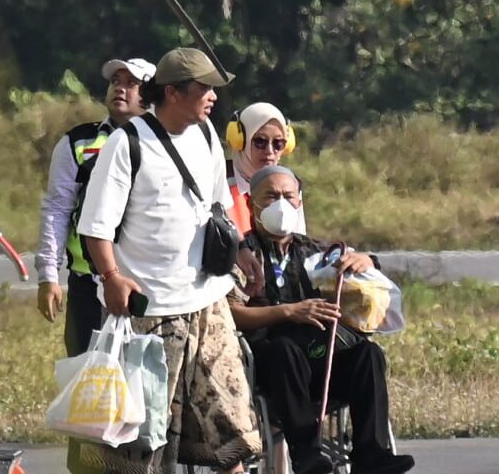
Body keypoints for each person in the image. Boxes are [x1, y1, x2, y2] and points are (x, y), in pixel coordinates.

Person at [75, 47, 261, 473]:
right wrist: (112, 276)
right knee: (142, 444)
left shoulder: (208, 134)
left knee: (232, 427)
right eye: (204, 88)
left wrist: (244, 248)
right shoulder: (128, 143)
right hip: (152, 312)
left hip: (209, 303)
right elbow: (95, 227)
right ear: (173, 93)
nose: (213, 97)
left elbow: (219, 206)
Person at [227, 165, 414, 474]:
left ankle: (372, 454)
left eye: (288, 196)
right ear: (251, 204)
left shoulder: (315, 251)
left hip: (322, 360)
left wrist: (367, 261)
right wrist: (288, 311)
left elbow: (359, 276)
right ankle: (306, 453)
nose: (281, 204)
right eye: (271, 197)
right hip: (271, 368)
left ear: (299, 202)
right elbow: (231, 314)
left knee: (369, 355)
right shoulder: (243, 255)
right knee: (283, 349)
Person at [35, 57, 155, 357]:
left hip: (149, 281)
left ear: (152, 93)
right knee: (86, 382)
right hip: (89, 283)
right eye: (115, 81)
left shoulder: (166, 143)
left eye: (132, 83)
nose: (121, 89)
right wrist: (48, 275)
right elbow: (57, 209)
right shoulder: (78, 141)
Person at [225, 102, 306, 235]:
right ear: (239, 140)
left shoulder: (290, 185)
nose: (270, 151)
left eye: (278, 143)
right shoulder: (217, 181)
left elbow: (298, 240)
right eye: (260, 142)